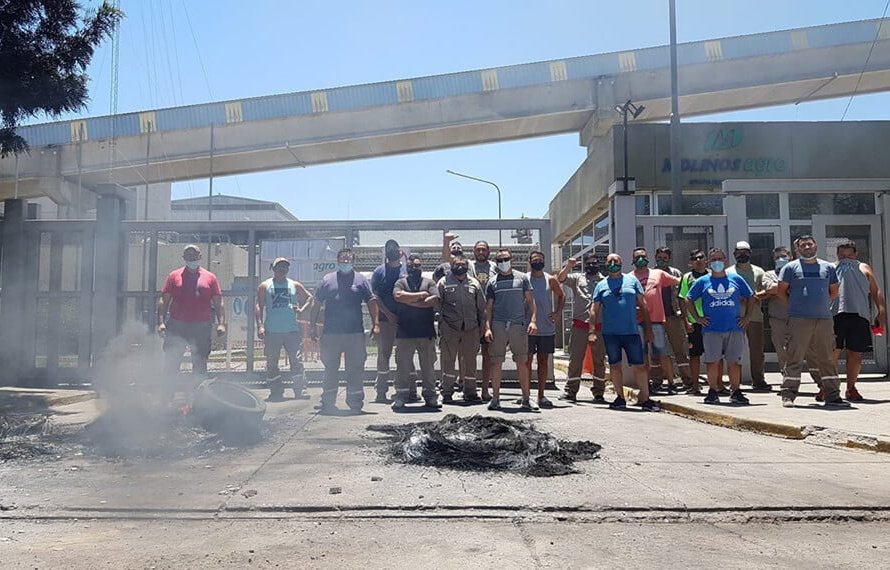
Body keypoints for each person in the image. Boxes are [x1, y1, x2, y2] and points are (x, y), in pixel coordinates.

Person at [777, 235, 847, 407]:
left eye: (810, 244)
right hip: (798, 319)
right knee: (795, 357)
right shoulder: (790, 268)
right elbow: (781, 292)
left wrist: (820, 306)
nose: (807, 247)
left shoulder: (828, 267)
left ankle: (832, 395)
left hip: (824, 319)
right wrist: (796, 307)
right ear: (798, 249)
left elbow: (833, 291)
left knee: (827, 358)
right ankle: (788, 394)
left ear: (816, 246)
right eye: (803, 245)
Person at [309, 248, 379, 414]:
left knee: (355, 368)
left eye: (348, 259)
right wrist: (312, 326)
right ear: (337, 261)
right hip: (331, 334)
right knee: (330, 367)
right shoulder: (327, 280)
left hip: (354, 334)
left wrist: (376, 324)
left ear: (353, 261)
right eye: (342, 259)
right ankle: (327, 402)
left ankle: (355, 402)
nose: (345, 262)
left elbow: (371, 301)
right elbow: (316, 304)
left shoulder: (361, 280)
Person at [589, 253, 660, 411]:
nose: (613, 263)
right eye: (610, 261)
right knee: (614, 365)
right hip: (610, 333)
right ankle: (620, 397)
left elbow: (644, 305)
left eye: (616, 261)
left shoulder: (632, 280)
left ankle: (646, 399)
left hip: (631, 332)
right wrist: (592, 331)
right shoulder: (601, 285)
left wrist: (649, 328)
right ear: (605, 264)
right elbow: (594, 310)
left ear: (622, 263)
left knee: (639, 366)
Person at [685, 248, 754, 405]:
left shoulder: (736, 279)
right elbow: (688, 298)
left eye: (720, 259)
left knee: (734, 362)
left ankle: (735, 391)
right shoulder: (703, 281)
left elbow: (751, 296)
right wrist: (698, 318)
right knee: (712, 361)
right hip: (711, 329)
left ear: (725, 260)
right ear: (709, 262)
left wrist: (747, 317)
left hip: (734, 327)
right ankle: (712, 391)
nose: (717, 262)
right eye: (713, 259)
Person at [157, 244, 225, 377]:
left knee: (200, 363)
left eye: (194, 255)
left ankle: (199, 394)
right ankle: (167, 394)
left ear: (200, 257)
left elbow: (218, 302)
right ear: (183, 257)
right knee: (171, 362)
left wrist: (221, 323)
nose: (191, 258)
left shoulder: (210, 277)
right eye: (188, 255)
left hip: (201, 326)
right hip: (177, 325)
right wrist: (161, 322)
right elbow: (164, 301)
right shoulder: (174, 276)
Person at [832, 240, 887, 401]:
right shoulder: (831, 267)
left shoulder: (863, 267)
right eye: (842, 255)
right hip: (835, 314)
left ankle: (851, 388)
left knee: (855, 353)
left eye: (849, 254)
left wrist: (881, 311)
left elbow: (876, 291)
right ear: (837, 254)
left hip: (859, 314)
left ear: (855, 254)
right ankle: (829, 387)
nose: (846, 258)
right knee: (832, 352)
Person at [483, 248, 538, 411]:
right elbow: (489, 308)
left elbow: (530, 302)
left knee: (522, 361)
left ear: (511, 259)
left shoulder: (522, 278)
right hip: (498, 325)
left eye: (505, 259)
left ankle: (526, 399)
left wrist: (533, 321)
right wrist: (487, 328)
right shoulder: (492, 282)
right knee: (496, 362)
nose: (503, 262)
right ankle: (495, 399)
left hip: (518, 324)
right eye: (499, 260)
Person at [255, 257, 313, 401]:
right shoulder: (265, 286)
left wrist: (301, 309)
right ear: (273, 269)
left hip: (291, 330)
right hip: (272, 331)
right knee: (272, 362)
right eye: (279, 267)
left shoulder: (294, 285)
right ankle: (276, 391)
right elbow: (259, 306)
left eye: (285, 267)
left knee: (296, 361)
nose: (282, 269)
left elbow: (310, 297)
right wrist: (260, 326)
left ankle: (300, 390)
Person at [556, 253, 608, 403]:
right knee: (575, 359)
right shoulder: (578, 278)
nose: (592, 265)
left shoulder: (604, 281)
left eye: (595, 263)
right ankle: (571, 391)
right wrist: (569, 266)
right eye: (589, 263)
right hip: (580, 324)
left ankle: (599, 392)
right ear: (585, 265)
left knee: (599, 360)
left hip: (599, 326)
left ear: (599, 264)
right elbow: (560, 278)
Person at [392, 254, 441, 410]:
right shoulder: (401, 282)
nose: (415, 268)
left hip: (426, 332)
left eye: (417, 266)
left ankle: (431, 397)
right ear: (407, 267)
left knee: (428, 368)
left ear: (422, 266)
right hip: (405, 333)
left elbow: (435, 300)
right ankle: (401, 397)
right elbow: (398, 296)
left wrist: (409, 301)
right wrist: (420, 296)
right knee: (403, 367)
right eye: (412, 266)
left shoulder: (429, 282)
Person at [437, 254, 486, 403]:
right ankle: (447, 392)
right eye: (457, 264)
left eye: (463, 264)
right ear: (451, 266)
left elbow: (481, 308)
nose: (460, 267)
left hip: (471, 329)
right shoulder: (443, 282)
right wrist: (442, 326)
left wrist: (482, 327)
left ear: (467, 266)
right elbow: (438, 306)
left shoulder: (474, 283)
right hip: (450, 329)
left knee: (470, 361)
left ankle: (470, 392)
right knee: (448, 360)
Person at [631, 247, 680, 391]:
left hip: (656, 321)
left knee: (663, 353)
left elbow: (678, 282)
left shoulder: (658, 274)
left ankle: (671, 383)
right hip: (638, 322)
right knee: (643, 354)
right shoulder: (629, 277)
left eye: (643, 256)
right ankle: (646, 384)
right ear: (633, 260)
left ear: (648, 258)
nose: (641, 259)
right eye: (637, 257)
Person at [727, 240, 771, 391]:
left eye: (745, 252)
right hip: (733, 317)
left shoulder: (759, 271)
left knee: (757, 350)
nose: (742, 254)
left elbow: (768, 291)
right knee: (734, 350)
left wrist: (752, 297)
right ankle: (735, 381)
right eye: (739, 252)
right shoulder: (728, 272)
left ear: (750, 253)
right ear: (734, 254)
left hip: (755, 317)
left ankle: (758, 380)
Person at [526, 250, 565, 408]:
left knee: (543, 361)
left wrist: (557, 312)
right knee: (526, 361)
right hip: (528, 327)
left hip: (546, 328)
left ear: (544, 261)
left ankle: (541, 396)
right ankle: (526, 395)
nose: (537, 262)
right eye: (534, 259)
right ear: (530, 262)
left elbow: (562, 296)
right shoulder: (524, 279)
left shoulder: (551, 280)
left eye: (540, 259)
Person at [370, 239, 407, 403]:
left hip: (405, 321)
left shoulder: (406, 269)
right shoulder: (379, 272)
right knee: (383, 356)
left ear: (400, 252)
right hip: (385, 320)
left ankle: (406, 390)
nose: (392, 251)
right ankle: (381, 391)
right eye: (388, 249)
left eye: (394, 248)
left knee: (404, 356)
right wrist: (386, 315)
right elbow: (375, 297)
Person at [654, 246, 692, 391]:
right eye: (659, 257)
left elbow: (682, 297)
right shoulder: (651, 274)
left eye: (665, 258)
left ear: (669, 259)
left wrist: (685, 317)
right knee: (656, 352)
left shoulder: (676, 274)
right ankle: (657, 380)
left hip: (673, 317)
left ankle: (687, 380)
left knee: (680, 350)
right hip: (656, 318)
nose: (662, 260)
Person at [678, 249, 708, 395]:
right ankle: (695, 385)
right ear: (691, 262)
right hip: (694, 321)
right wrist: (686, 321)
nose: (698, 260)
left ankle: (717, 385)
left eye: (701, 257)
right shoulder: (687, 278)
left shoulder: (712, 275)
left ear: (706, 260)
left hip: (711, 321)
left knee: (714, 354)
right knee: (694, 354)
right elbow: (683, 300)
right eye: (695, 258)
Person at [471, 240, 498, 401]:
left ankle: (485, 389)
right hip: (472, 315)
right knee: (469, 354)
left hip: (491, 315)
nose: (481, 252)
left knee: (488, 354)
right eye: (478, 250)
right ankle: (469, 387)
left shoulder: (495, 266)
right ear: (474, 251)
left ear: (489, 251)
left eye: (484, 250)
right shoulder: (468, 266)